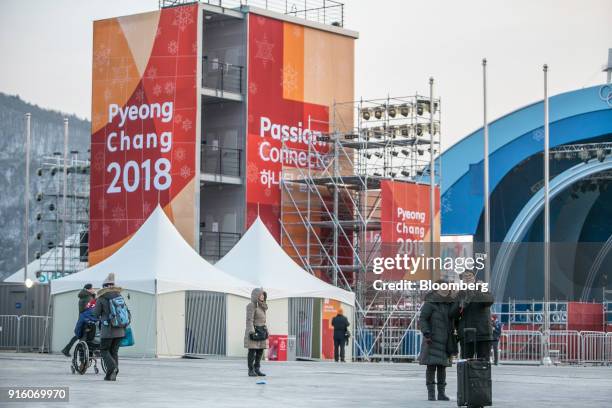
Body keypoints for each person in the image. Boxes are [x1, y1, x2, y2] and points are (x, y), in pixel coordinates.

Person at [419, 280, 456, 401]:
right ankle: (431, 393)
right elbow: (423, 318)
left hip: (446, 340)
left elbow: (455, 316)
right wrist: (426, 332)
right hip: (432, 339)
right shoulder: (430, 302)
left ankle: (441, 393)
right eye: (443, 286)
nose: (445, 289)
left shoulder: (451, 302)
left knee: (442, 367)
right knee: (431, 366)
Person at [452, 270, 495, 360]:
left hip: (483, 333)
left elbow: (489, 301)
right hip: (466, 334)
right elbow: (453, 313)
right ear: (462, 280)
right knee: (466, 363)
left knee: (483, 364)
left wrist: (474, 291)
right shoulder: (460, 293)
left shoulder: (481, 288)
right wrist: (460, 303)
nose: (467, 278)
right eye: (465, 276)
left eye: (470, 276)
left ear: (474, 278)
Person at [93, 273, 128, 381]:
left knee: (104, 350)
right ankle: (111, 374)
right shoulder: (119, 296)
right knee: (114, 351)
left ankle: (113, 368)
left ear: (104, 287)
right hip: (120, 330)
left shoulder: (102, 298)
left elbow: (96, 313)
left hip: (108, 330)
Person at [61, 283, 96, 356]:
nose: (93, 290)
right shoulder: (88, 298)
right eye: (92, 288)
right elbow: (90, 310)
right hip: (86, 319)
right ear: (88, 290)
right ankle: (81, 353)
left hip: (83, 318)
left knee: (78, 335)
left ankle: (66, 349)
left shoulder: (85, 296)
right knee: (81, 336)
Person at [245, 287, 268, 377]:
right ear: (256, 295)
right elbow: (249, 319)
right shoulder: (251, 305)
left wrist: (266, 330)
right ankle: (251, 370)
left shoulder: (262, 306)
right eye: (260, 294)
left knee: (260, 351)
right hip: (254, 331)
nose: (262, 296)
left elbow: (263, 320)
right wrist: (251, 331)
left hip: (262, 331)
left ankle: (257, 369)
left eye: (263, 294)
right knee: (252, 351)